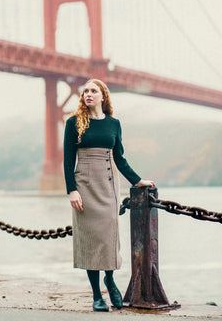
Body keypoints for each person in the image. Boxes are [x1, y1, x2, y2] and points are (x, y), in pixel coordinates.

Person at [63, 78, 155, 312]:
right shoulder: (73, 123)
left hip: (108, 184)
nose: (88, 95)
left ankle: (110, 280)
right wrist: (71, 190)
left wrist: (137, 180)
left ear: (103, 96)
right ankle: (97, 296)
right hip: (84, 183)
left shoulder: (114, 124)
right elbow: (67, 160)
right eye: (85, 91)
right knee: (90, 239)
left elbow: (120, 158)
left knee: (109, 236)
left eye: (94, 91)